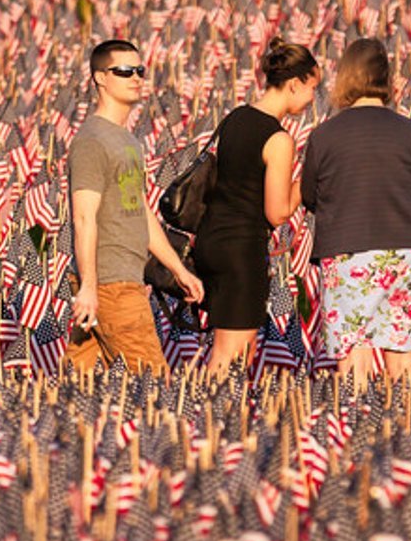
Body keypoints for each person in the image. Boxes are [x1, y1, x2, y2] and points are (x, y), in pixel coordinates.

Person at [300, 39, 411, 381]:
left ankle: (355, 428)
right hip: (407, 255)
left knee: (354, 358)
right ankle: (408, 428)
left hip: (346, 255)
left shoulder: (324, 136)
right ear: (387, 79)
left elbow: (309, 197)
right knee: (404, 355)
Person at [66, 39, 202, 374]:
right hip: (110, 285)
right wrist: (89, 285)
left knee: (76, 391)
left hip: (118, 281)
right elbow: (84, 218)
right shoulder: (92, 141)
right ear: (100, 78)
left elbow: (139, 213)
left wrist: (178, 270)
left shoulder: (127, 140)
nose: (136, 77)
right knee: (153, 387)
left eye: (139, 70)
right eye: (124, 71)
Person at [192, 39, 320, 376]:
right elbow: (276, 212)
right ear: (294, 83)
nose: (312, 100)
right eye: (312, 88)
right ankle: (213, 420)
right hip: (240, 250)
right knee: (232, 356)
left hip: (211, 243)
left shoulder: (236, 118)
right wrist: (308, 178)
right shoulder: (278, 139)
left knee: (225, 349)